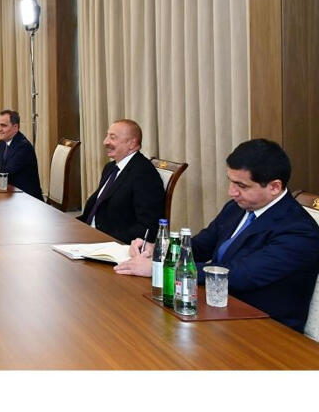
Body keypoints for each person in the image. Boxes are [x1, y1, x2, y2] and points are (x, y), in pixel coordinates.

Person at [115, 138, 319, 333]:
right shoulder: (238, 207)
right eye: (231, 182)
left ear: (274, 187)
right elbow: (201, 245)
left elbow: (241, 274)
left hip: (264, 327)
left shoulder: (300, 231)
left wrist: (166, 268)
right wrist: (161, 250)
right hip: (218, 309)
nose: (232, 192)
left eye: (242, 186)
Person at [77, 119, 165, 244]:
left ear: (132, 143)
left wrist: (104, 241)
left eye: (113, 137)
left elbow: (148, 228)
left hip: (111, 244)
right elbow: (97, 208)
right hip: (88, 234)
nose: (105, 142)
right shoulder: (111, 167)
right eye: (107, 136)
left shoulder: (144, 174)